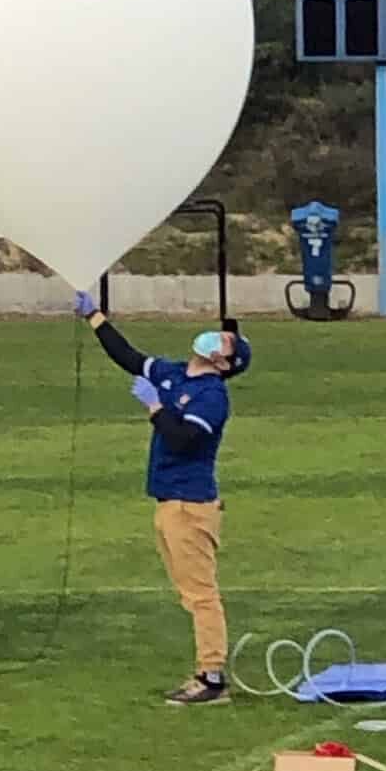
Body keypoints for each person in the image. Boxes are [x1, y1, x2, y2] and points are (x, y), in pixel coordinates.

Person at [76, 291, 251, 706]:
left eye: (223, 343)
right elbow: (129, 356)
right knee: (188, 593)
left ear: (224, 364)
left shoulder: (212, 396)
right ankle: (209, 672)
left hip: (190, 505)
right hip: (169, 502)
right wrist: (95, 317)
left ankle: (211, 677)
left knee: (201, 593)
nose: (213, 338)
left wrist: (155, 408)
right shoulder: (174, 372)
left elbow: (184, 438)